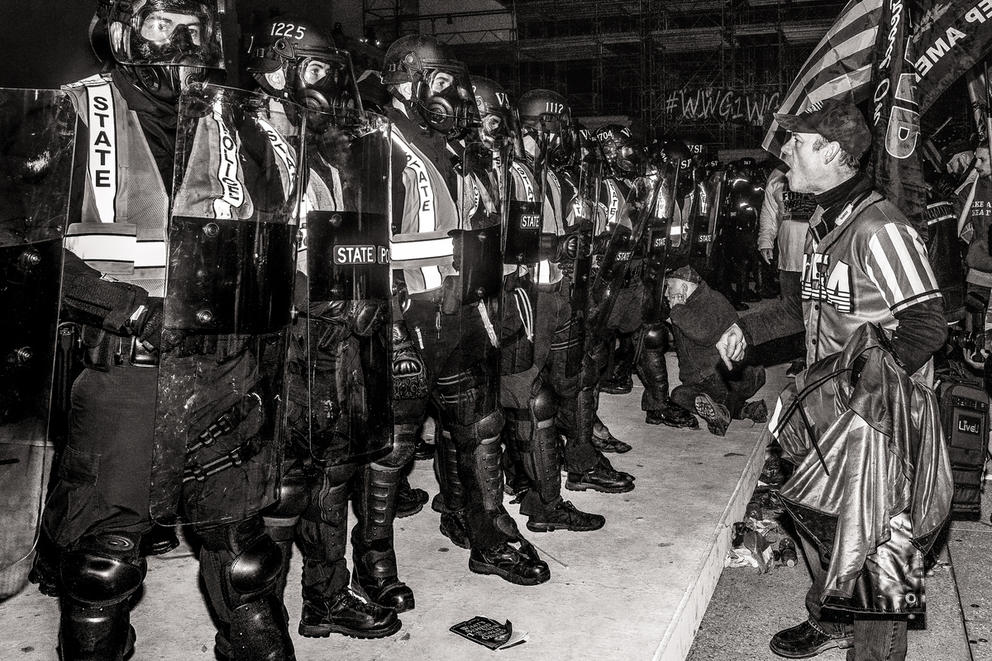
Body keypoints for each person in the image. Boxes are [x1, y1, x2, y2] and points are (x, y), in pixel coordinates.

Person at [42, 1, 297, 659]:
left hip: (223, 361)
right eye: (161, 22)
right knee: (107, 560)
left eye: (192, 25)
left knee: (243, 547)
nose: (179, 39)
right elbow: (21, 249)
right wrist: (107, 303)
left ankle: (254, 644)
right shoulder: (74, 111)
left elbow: (260, 234)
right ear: (121, 29)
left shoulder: (227, 123)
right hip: (126, 358)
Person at [717, 98, 948, 661]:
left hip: (879, 421)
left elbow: (926, 326)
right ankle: (832, 619)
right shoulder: (827, 220)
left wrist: (862, 383)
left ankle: (875, 652)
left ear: (834, 152)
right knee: (825, 523)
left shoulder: (880, 229)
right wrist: (743, 326)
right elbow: (803, 309)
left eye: (798, 141)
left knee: (882, 549)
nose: (787, 150)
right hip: (833, 411)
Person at [246, 15, 403, 637]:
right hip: (277, 341)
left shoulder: (324, 152)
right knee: (284, 484)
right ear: (273, 66)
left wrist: (364, 296)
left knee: (334, 471)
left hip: (333, 339)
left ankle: (326, 597)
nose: (327, 87)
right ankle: (264, 616)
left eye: (331, 75)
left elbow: (342, 243)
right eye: (313, 70)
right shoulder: (241, 136)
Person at [381, 34, 550, 585]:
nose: (456, 96)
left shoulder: (452, 147)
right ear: (408, 80)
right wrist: (389, 320)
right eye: (443, 80)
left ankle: (483, 530)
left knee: (477, 427)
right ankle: (374, 564)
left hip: (460, 313)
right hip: (402, 320)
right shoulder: (370, 141)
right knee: (394, 448)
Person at [663, 266, 767, 436]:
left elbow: (703, 334)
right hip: (709, 380)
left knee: (720, 387)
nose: (667, 293)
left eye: (669, 286)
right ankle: (742, 409)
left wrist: (678, 311)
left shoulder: (710, 301)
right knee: (678, 396)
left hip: (733, 375)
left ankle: (723, 414)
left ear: (683, 287)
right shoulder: (687, 305)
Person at [758, 163, 815, 376]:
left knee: (818, 310)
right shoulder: (777, 176)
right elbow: (769, 212)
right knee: (793, 312)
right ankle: (799, 358)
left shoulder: (819, 168)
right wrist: (765, 240)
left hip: (817, 256)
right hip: (789, 258)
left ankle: (820, 358)